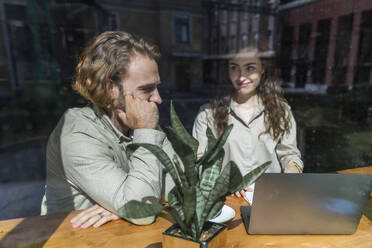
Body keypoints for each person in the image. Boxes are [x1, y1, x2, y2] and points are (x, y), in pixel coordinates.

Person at [40, 31, 174, 227]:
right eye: (146, 89)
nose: (158, 99)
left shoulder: (142, 120)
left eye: (157, 87)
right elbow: (141, 211)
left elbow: (182, 185)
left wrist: (124, 203)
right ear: (111, 88)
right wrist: (129, 203)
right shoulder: (76, 134)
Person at [192, 47, 304, 198]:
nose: (241, 77)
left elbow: (289, 154)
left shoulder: (281, 110)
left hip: (270, 197)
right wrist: (224, 182)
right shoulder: (207, 114)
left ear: (262, 69)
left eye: (250, 68)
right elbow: (199, 160)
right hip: (227, 201)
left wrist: (290, 173)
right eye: (234, 68)